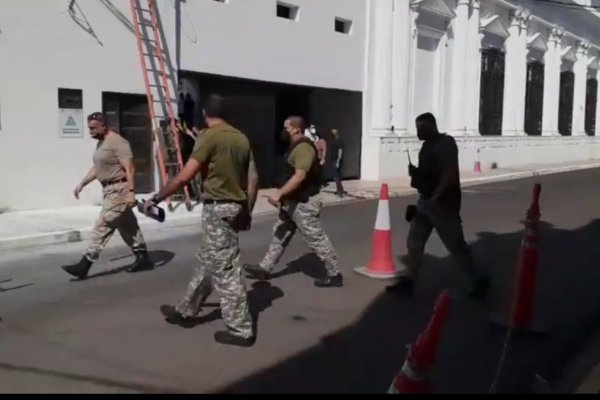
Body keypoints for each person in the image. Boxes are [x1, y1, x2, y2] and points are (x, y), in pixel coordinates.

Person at [145, 94, 259, 347]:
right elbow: (253, 178)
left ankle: (241, 330)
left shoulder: (209, 136)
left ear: (206, 113)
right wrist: (247, 210)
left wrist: (157, 197)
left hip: (217, 209)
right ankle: (186, 311)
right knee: (210, 261)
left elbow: (185, 176)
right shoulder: (241, 138)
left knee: (226, 271)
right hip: (236, 206)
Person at [386, 113, 489, 299]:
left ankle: (477, 280)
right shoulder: (426, 147)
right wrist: (415, 175)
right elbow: (427, 176)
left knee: (455, 246)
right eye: (417, 128)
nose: (418, 132)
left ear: (431, 126)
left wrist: (435, 198)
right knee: (414, 242)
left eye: (421, 128)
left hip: (443, 204)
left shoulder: (446, 144)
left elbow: (448, 174)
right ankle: (410, 281)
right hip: (426, 202)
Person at [245, 116, 343, 288]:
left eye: (286, 127)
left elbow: (300, 175)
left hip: (303, 204)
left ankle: (334, 274)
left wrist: (279, 193)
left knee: (317, 239)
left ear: (296, 129)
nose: (283, 131)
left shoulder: (304, 148)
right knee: (280, 234)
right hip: (291, 202)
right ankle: (265, 268)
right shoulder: (294, 147)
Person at [61, 112, 150, 280]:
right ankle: (142, 256)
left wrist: (131, 192)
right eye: (89, 128)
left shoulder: (118, 142)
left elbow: (130, 168)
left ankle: (85, 263)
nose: (91, 131)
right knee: (127, 225)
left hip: (119, 190)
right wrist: (82, 184)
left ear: (104, 125)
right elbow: (98, 167)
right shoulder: (102, 143)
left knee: (103, 224)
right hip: (109, 190)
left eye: (93, 128)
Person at [330, 129, 346, 198]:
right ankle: (341, 190)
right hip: (334, 160)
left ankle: (340, 192)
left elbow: (340, 151)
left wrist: (338, 161)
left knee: (336, 177)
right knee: (337, 177)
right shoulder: (334, 141)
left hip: (336, 161)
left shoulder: (339, 141)